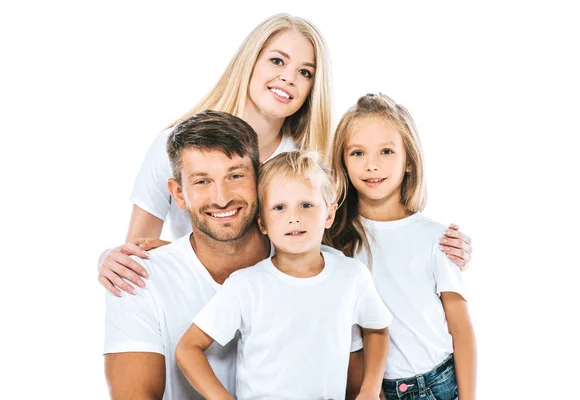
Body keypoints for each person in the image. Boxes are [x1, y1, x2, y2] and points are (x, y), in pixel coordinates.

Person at [97, 13, 473, 297]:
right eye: (277, 61)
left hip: (283, 317)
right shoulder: (173, 146)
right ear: (251, 61)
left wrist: (439, 248)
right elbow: (137, 254)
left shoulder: (310, 160)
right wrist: (108, 259)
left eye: (305, 72)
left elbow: (365, 230)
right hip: (198, 307)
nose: (289, 78)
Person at [104, 110, 366, 399]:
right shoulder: (136, 278)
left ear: (260, 177)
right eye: (202, 181)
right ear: (178, 193)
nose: (222, 197)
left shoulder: (318, 268)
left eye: (236, 175)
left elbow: (355, 384)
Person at [176, 151, 392, 399]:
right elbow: (187, 348)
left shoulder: (352, 276)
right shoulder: (246, 285)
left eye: (307, 205)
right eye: (279, 208)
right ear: (262, 224)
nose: (294, 217)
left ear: (329, 214)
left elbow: (377, 328)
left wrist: (370, 391)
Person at [325, 93, 476, 400]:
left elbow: (461, 330)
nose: (372, 165)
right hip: (376, 390)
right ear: (342, 160)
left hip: (439, 384)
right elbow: (349, 334)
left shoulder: (437, 238)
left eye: (386, 151)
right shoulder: (335, 243)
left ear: (408, 161)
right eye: (357, 153)